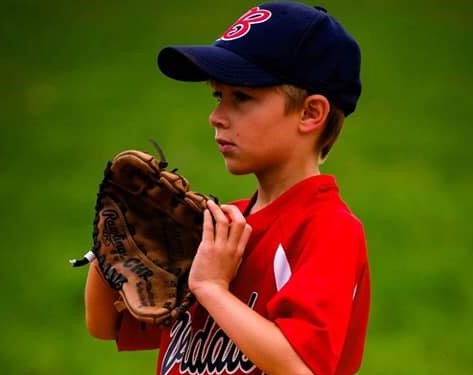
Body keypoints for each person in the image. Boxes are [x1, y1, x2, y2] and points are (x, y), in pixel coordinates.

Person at [84, 2, 370, 374]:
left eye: (242, 98)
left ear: (310, 113)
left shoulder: (328, 229)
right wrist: (116, 246)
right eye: (219, 96)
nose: (217, 117)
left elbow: (305, 367)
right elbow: (107, 325)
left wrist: (212, 288)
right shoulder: (219, 228)